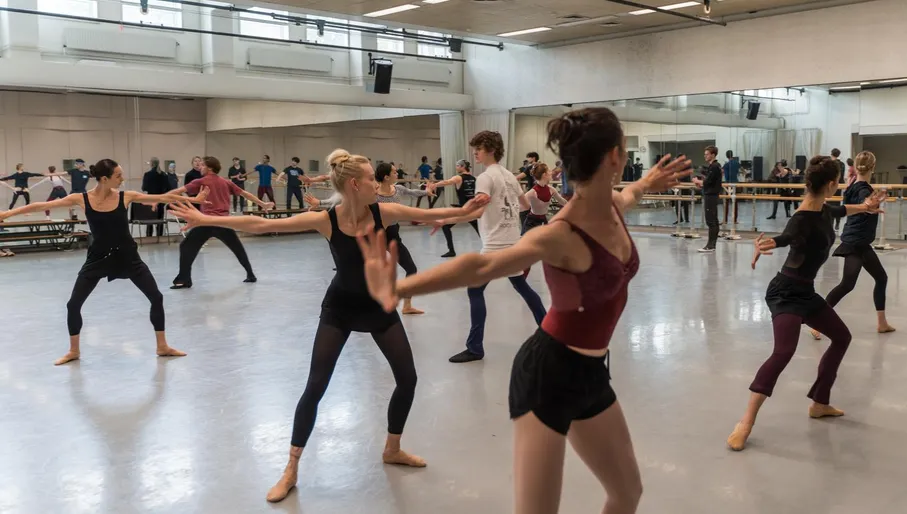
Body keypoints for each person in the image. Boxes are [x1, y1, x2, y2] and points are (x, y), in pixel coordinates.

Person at [356, 108, 692, 514]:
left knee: (627, 493)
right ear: (615, 157)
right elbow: (480, 266)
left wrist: (649, 182)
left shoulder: (614, 205)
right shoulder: (561, 233)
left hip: (590, 374)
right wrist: (399, 288)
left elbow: (631, 193)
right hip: (546, 376)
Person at [167, 148, 487, 504]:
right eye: (371, 178)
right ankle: (291, 468)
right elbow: (262, 224)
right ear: (355, 185)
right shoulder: (326, 220)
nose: (377, 184)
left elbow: (432, 214)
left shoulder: (384, 211)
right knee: (316, 385)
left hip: (378, 306)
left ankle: (392, 448)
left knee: (408, 378)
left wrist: (466, 211)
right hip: (340, 308)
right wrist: (205, 219)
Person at [726, 156, 886, 452]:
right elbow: (788, 236)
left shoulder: (824, 209)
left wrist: (866, 206)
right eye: (839, 181)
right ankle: (745, 422)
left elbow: (842, 209)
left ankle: (819, 402)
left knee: (842, 337)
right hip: (785, 294)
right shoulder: (801, 218)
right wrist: (767, 243)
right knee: (783, 352)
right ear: (831, 184)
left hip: (806, 293)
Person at [0, 159, 207, 365]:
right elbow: (42, 205)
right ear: (105, 179)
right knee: (73, 304)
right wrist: (8, 213)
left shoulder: (125, 196)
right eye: (118, 176)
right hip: (98, 258)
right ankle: (73, 351)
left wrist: (194, 199)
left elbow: (162, 197)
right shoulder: (82, 199)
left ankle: (162, 346)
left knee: (156, 297)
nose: (122, 179)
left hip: (128, 257)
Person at [423, 131, 549, 364]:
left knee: (475, 290)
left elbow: (476, 210)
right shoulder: (509, 176)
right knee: (522, 287)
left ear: (491, 150)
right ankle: (551, 334)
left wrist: (445, 219)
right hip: (512, 243)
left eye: (478, 149)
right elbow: (524, 205)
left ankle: (475, 348)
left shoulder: (485, 177)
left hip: (494, 246)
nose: (475, 153)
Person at [312, 162, 432, 315]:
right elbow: (344, 200)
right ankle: (355, 304)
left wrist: (427, 192)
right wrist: (320, 203)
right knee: (361, 272)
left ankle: (407, 306)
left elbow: (413, 192)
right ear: (386, 177)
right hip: (374, 235)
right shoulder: (373, 194)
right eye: (394, 172)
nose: (397, 174)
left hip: (393, 235)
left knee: (411, 268)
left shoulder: (398, 189)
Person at [809, 152, 895, 339]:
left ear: (856, 167)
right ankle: (817, 321)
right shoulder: (864, 190)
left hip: (860, 243)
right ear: (873, 167)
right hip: (855, 244)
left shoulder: (851, 187)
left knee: (881, 278)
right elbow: (864, 202)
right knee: (847, 284)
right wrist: (868, 205)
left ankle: (882, 323)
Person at [169, 156, 275, 290]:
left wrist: (158, 199)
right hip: (224, 222)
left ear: (210, 168)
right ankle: (250, 274)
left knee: (186, 246)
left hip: (207, 222)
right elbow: (244, 193)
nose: (200, 167)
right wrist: (262, 204)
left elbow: (177, 192)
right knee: (237, 248)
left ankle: (184, 279)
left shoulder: (201, 181)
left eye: (202, 165)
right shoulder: (225, 182)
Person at [431, 159, 480, 258]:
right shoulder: (474, 178)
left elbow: (447, 182)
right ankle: (492, 249)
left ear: (462, 167)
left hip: (464, 210)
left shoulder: (458, 178)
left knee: (445, 226)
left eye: (457, 166)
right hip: (473, 209)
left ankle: (451, 251)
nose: (456, 167)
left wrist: (435, 184)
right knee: (481, 230)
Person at [522, 163, 567, 234]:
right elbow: (520, 205)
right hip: (531, 222)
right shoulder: (532, 192)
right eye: (549, 171)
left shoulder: (551, 189)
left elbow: (563, 202)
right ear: (544, 175)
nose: (551, 172)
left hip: (543, 221)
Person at [692, 145, 722, 252]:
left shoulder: (714, 166)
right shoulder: (714, 166)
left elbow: (708, 181)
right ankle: (711, 245)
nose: (705, 156)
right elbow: (709, 182)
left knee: (711, 221)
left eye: (707, 154)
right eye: (704, 154)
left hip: (711, 196)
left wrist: (698, 181)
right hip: (711, 195)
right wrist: (701, 184)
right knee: (713, 221)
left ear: (713, 155)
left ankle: (711, 245)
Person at [141, 158, 170, 237]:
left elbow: (144, 188)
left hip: (150, 200)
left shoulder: (147, 175)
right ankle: (159, 236)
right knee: (160, 220)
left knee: (150, 221)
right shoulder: (164, 175)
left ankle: (149, 236)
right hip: (161, 200)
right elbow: (168, 188)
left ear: (151, 164)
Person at [723, 150, 740, 224]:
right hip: (736, 184)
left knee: (726, 202)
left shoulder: (726, 165)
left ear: (726, 156)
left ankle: (725, 220)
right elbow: (741, 171)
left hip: (728, 185)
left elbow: (725, 175)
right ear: (732, 155)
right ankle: (735, 220)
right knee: (735, 202)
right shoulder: (737, 163)